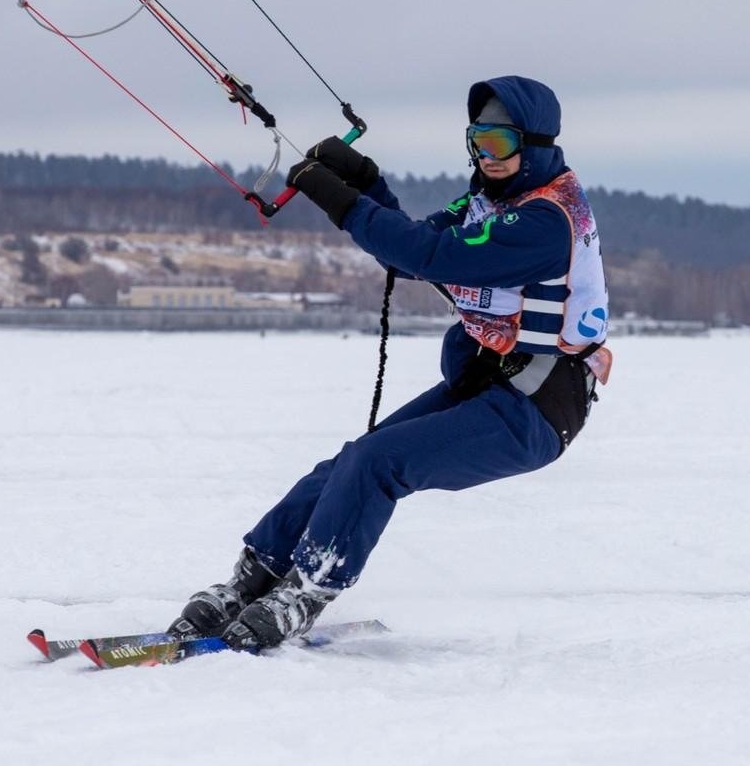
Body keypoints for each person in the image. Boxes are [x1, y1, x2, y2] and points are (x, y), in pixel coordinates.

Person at [170, 76, 613, 650]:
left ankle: (304, 593)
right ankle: (252, 580)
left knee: (378, 463)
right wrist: (368, 186)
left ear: (535, 145)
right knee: (348, 464)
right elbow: (417, 252)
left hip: (534, 408)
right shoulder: (488, 200)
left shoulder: (545, 220)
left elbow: (429, 254)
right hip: (488, 384)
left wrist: (345, 204)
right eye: (477, 141)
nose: (486, 155)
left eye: (500, 144)